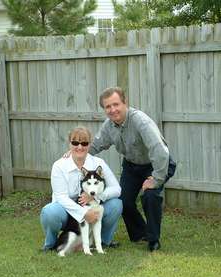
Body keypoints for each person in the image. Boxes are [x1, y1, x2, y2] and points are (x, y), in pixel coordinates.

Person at [89, 87, 176, 252]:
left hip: (156, 164)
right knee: (123, 200)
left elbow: (160, 151)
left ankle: (153, 241)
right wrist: (76, 154)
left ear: (124, 103)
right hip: (131, 166)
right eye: (108, 107)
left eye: (116, 104)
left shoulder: (140, 121)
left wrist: (156, 179)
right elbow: (96, 145)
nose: (113, 110)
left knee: (150, 196)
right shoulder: (109, 126)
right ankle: (140, 233)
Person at [40, 126, 123, 252]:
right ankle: (50, 245)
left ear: (89, 145)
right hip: (66, 211)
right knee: (49, 211)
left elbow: (117, 189)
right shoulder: (59, 165)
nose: (80, 147)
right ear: (70, 144)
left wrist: (96, 196)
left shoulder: (98, 162)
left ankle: (104, 241)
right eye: (75, 143)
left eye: (84, 143)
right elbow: (61, 197)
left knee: (116, 204)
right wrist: (84, 214)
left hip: (91, 205)